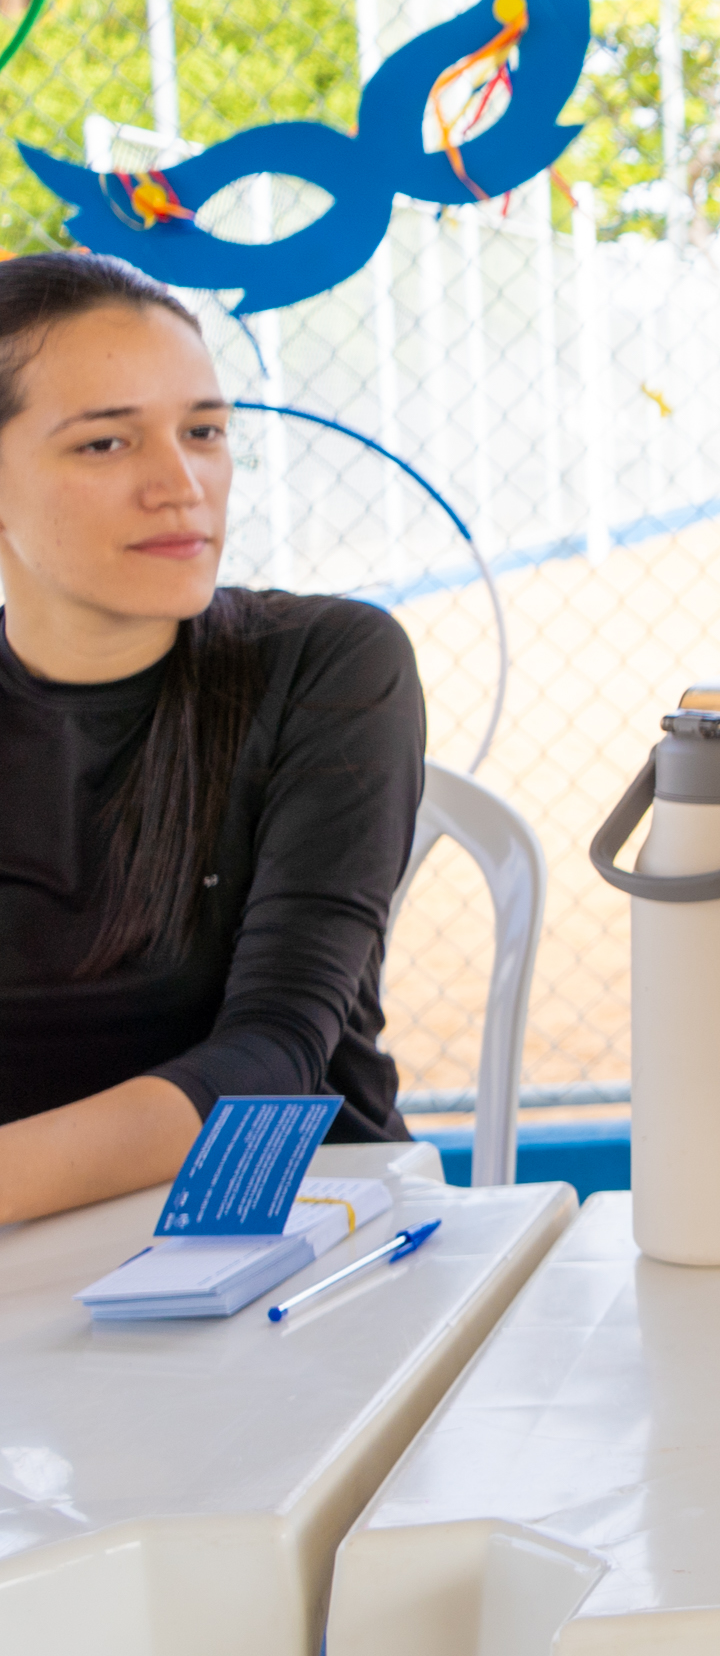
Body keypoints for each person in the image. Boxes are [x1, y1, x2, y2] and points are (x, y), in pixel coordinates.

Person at [0, 252, 423, 1225]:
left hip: (299, 1239)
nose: (182, 483)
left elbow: (270, 1059)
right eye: (106, 445)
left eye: (204, 432)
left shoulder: (331, 660)